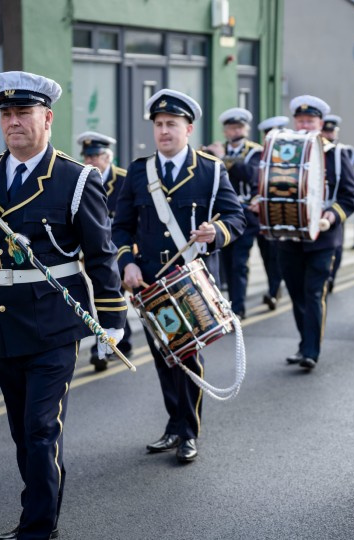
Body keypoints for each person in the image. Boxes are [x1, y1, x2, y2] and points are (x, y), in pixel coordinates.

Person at [0, 71, 127, 540]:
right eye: (6, 114)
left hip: (53, 325)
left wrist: (113, 320)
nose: (13, 122)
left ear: (47, 117)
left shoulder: (75, 178)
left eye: (23, 112)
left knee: (42, 428)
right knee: (23, 433)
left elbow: (101, 255)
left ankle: (38, 528)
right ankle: (40, 505)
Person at [112, 89, 245, 463]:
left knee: (187, 354)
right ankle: (174, 425)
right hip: (151, 283)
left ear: (188, 128)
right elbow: (120, 228)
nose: (164, 131)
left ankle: (188, 431)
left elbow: (236, 218)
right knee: (164, 356)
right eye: (158, 125)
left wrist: (216, 233)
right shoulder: (138, 172)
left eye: (172, 124)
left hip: (192, 282)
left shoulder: (211, 170)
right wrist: (128, 263)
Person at [279, 95, 354, 370]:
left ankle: (311, 351)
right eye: (300, 121)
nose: (304, 126)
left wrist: (332, 215)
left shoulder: (336, 154)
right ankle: (304, 343)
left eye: (309, 121)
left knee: (314, 293)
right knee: (296, 293)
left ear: (320, 124)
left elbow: (351, 196)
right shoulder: (283, 152)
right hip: (288, 235)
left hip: (323, 239)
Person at [76, 131, 134, 371]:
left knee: (111, 293)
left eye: (95, 156)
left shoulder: (124, 180)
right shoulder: (79, 180)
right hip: (93, 251)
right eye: (86, 157)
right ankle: (122, 340)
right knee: (109, 294)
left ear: (108, 157)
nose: (90, 162)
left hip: (119, 249)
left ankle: (108, 345)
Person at [201, 108, 262, 319]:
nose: (236, 131)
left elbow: (251, 173)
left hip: (245, 216)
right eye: (231, 127)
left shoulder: (255, 151)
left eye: (239, 127)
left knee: (239, 263)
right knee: (223, 265)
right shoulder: (217, 149)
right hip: (220, 217)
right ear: (225, 131)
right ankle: (223, 306)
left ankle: (238, 308)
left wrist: (222, 157)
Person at [320, 113, 354, 293]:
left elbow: (350, 190)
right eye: (325, 130)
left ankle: (331, 275)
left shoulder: (342, 152)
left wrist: (335, 212)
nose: (328, 134)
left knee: (338, 245)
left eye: (331, 131)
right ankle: (328, 276)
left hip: (334, 208)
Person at [256, 115, 289, 310]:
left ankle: (274, 290)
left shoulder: (290, 158)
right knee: (268, 256)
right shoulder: (261, 157)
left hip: (286, 217)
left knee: (279, 256)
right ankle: (274, 288)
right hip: (264, 217)